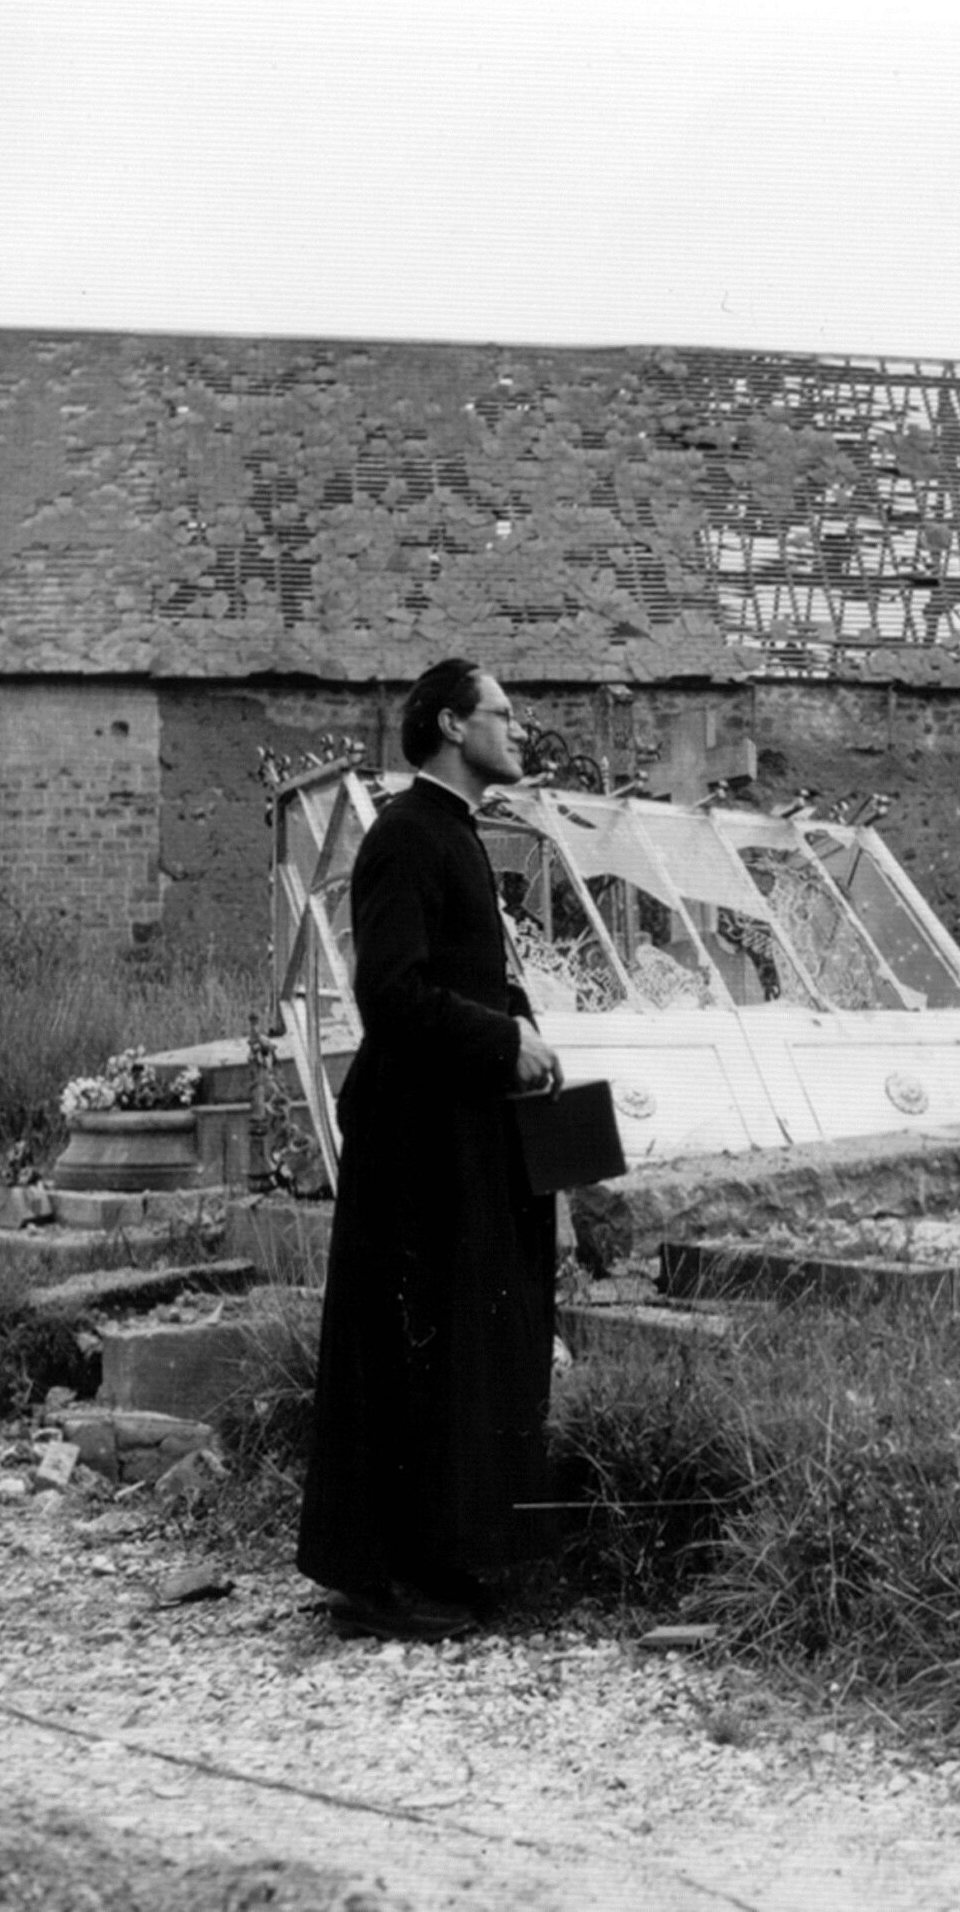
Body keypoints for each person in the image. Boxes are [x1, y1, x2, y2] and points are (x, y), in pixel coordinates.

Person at [295, 658, 565, 1641]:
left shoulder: (454, 834)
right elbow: (393, 995)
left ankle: (458, 1554)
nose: (520, 730)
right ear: (452, 724)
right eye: (505, 713)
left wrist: (525, 1023)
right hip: (415, 1141)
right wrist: (501, 1040)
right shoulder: (404, 837)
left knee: (468, 1345)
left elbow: (467, 969)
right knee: (412, 1352)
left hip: (465, 1127)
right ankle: (387, 1576)